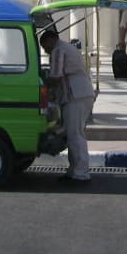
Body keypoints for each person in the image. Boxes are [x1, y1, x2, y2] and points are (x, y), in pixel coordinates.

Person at [40, 29, 94, 184]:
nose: (45, 50)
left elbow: (56, 76)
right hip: (81, 94)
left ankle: (81, 172)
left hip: (75, 95)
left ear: (51, 40)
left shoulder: (58, 50)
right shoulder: (66, 47)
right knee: (72, 133)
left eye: (44, 46)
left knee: (75, 134)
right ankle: (74, 169)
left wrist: (43, 84)